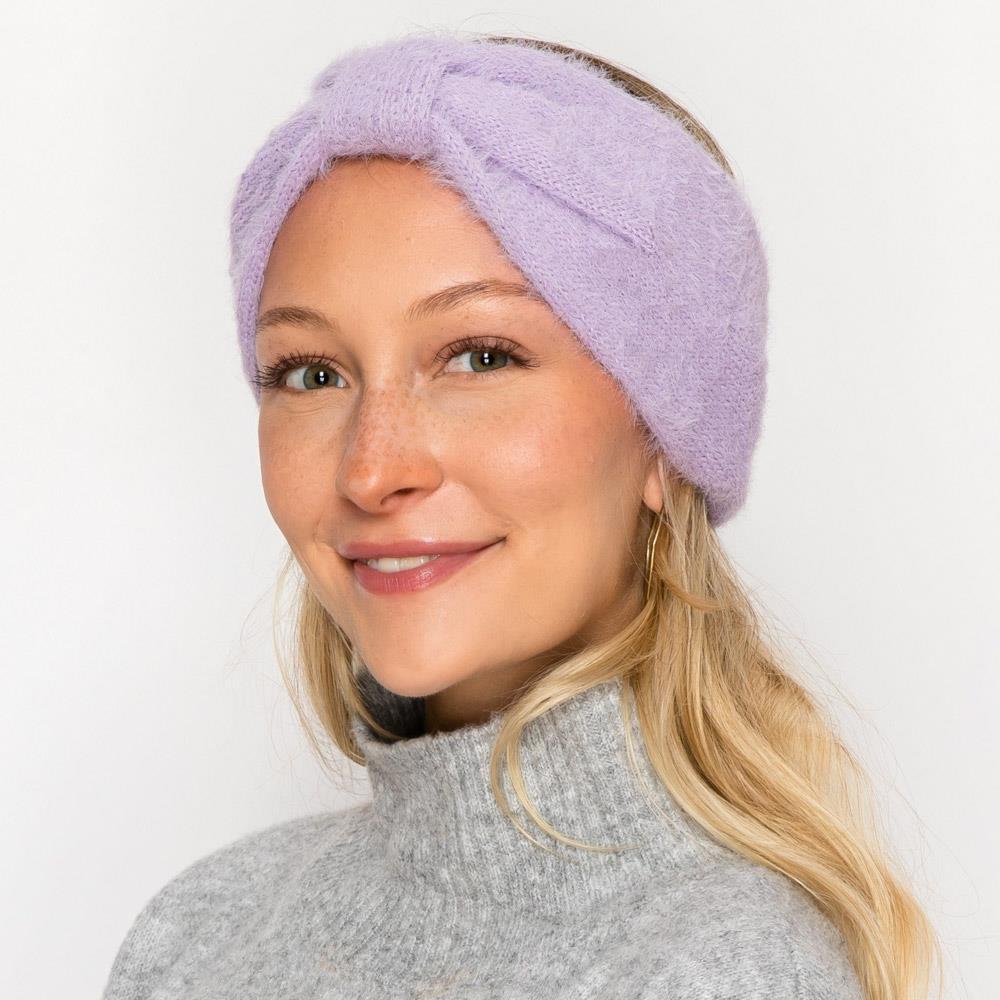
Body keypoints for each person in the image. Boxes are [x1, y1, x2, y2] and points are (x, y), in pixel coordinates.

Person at [102, 30, 943, 1000]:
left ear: (664, 437)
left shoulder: (722, 970)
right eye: (312, 373)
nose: (372, 471)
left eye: (480, 357)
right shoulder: (200, 928)